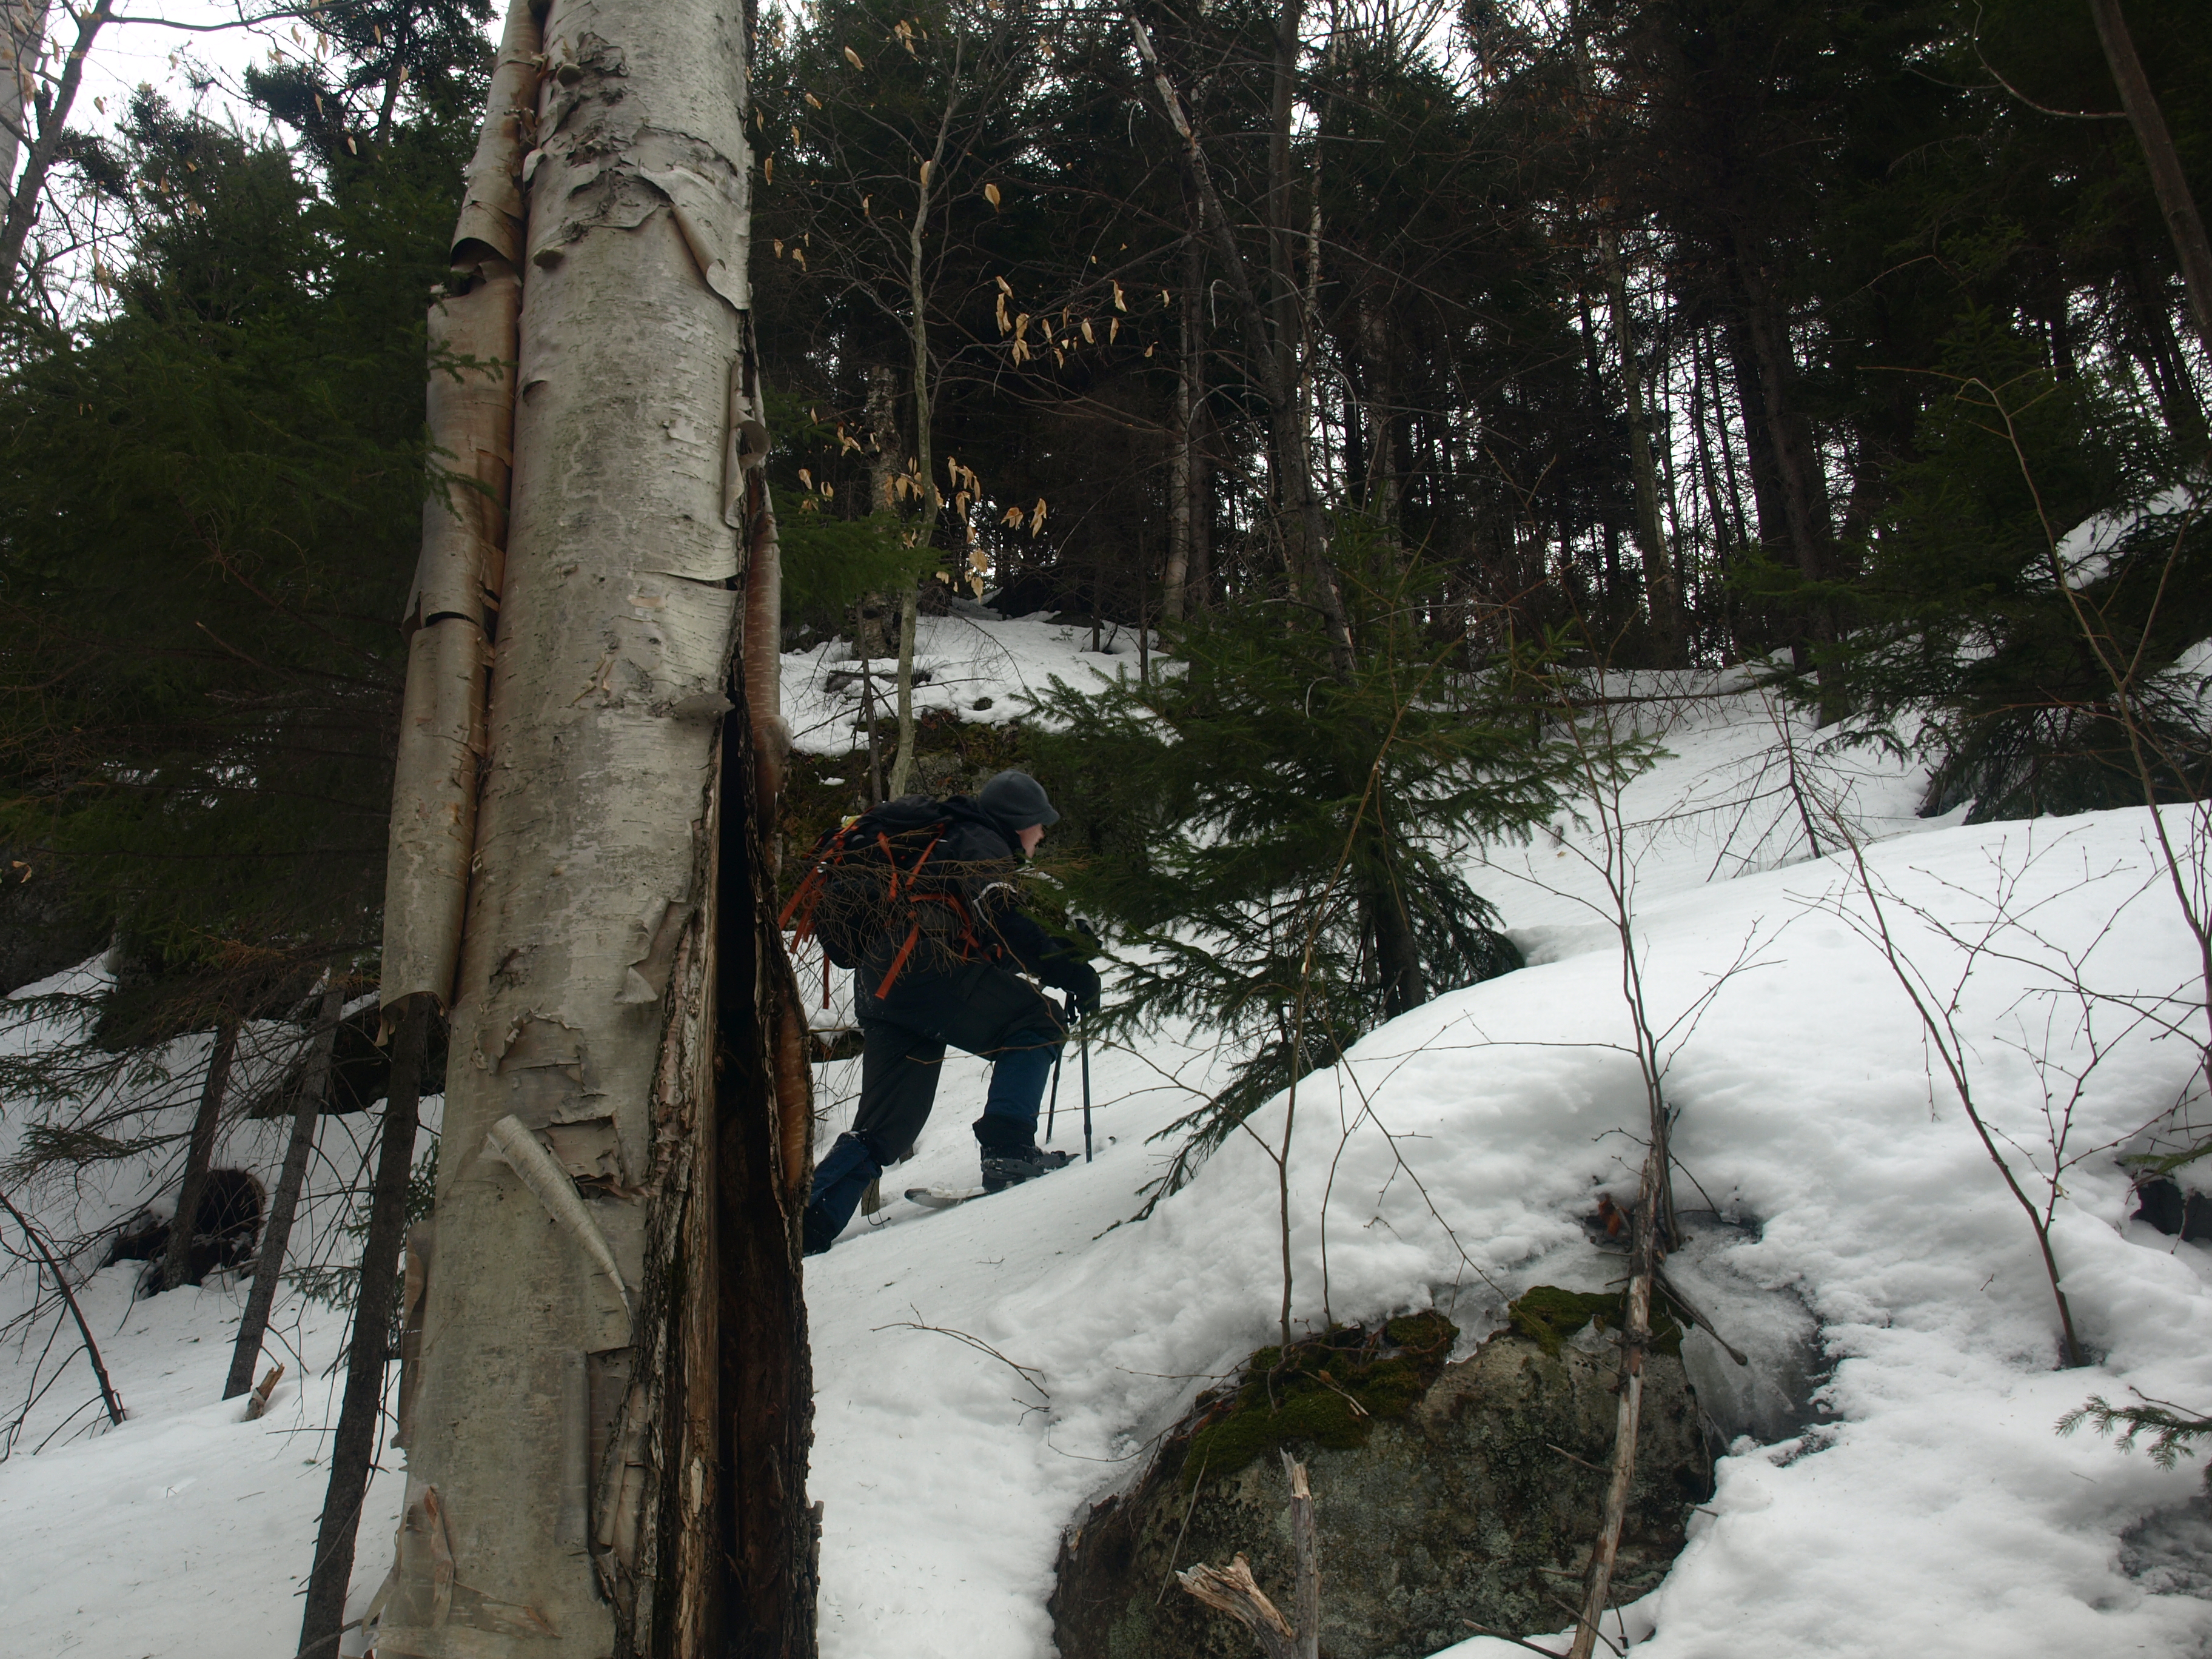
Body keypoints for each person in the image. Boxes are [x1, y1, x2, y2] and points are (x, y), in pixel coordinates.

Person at [802, 768, 1102, 1256]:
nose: (1043, 834)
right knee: (1038, 1020)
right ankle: (1008, 1150)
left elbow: (982, 941)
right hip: (921, 969)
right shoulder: (981, 840)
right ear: (1018, 820)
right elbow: (1000, 918)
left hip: (882, 983)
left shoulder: (950, 843)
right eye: (1039, 823)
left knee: (886, 1128)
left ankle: (806, 1222)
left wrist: (1062, 954)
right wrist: (1073, 973)